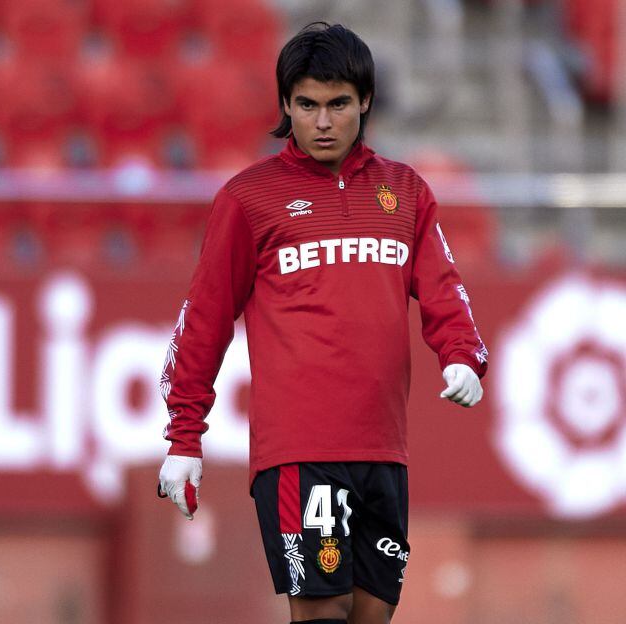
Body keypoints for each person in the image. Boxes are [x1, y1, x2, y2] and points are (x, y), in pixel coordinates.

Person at [156, 22, 488, 624]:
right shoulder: (250, 199)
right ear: (286, 105)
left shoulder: (405, 192)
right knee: (322, 611)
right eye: (307, 105)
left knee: (369, 616)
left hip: (385, 452)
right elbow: (202, 322)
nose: (324, 121)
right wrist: (184, 438)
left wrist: (461, 353)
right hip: (300, 452)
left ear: (364, 100)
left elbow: (444, 287)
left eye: (338, 104)